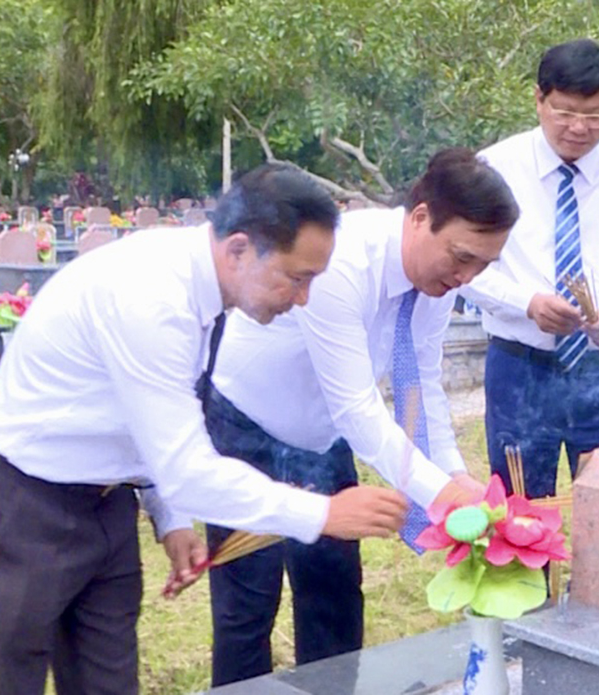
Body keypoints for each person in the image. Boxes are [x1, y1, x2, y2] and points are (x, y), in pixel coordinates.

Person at [0, 165, 409, 695]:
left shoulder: (207, 295)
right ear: (239, 249)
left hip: (108, 501)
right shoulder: (152, 298)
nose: (302, 299)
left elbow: (153, 417)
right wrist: (325, 513)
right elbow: (190, 471)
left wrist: (168, 517)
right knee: (4, 682)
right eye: (297, 277)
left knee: (108, 682)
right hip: (19, 502)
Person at [203, 148, 519, 686]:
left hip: (323, 436)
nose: (467, 276)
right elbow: (357, 406)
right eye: (462, 257)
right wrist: (439, 495)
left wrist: (454, 473)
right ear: (420, 217)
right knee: (247, 602)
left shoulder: (439, 279)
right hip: (248, 424)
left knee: (334, 593)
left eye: (483, 265)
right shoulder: (340, 261)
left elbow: (419, 383)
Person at [460, 38, 599, 500]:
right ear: (539, 99)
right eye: (564, 112)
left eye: (595, 116)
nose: (579, 128)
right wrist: (528, 304)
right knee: (519, 511)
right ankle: (530, 577)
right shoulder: (496, 168)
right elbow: (468, 267)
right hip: (521, 367)